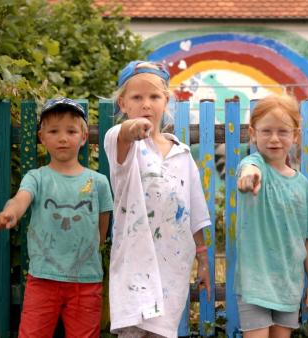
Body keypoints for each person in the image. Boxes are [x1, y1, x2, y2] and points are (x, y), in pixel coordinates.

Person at [104, 60, 211, 338]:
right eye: (137, 98)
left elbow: (196, 213)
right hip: (134, 268)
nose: (146, 105)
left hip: (172, 270)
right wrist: (133, 128)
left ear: (166, 100)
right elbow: (124, 133)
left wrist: (203, 258)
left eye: (154, 97)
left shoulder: (183, 154)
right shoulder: (121, 142)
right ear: (123, 104)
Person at [0, 98, 114, 338]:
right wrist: (11, 212)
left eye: (71, 131)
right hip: (42, 278)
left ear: (83, 137)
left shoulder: (98, 182)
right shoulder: (36, 177)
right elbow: (20, 199)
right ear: (42, 137)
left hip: (86, 280)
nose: (62, 138)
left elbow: (103, 227)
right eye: (54, 131)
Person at [235, 93, 308, 338]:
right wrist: (248, 179)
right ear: (253, 133)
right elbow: (248, 170)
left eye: (282, 131)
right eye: (266, 131)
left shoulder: (302, 184)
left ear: (295, 135)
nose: (274, 139)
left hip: (289, 284)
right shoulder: (253, 164)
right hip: (255, 283)